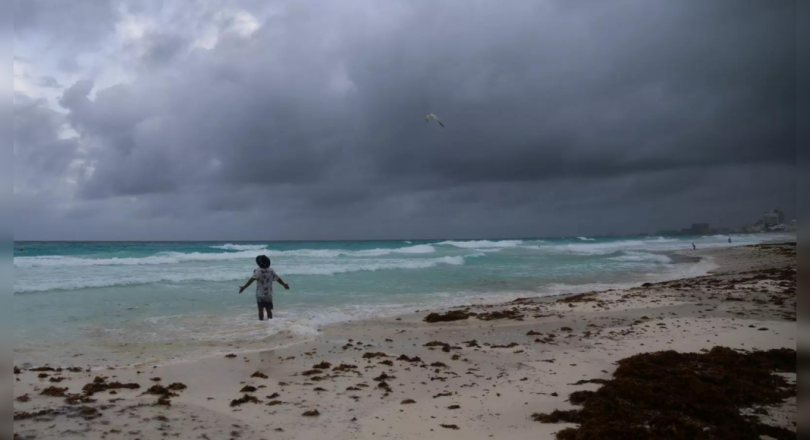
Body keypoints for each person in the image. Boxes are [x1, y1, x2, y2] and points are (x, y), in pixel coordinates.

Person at [239, 255, 289, 321]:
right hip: (268, 293)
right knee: (269, 310)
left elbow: (251, 280)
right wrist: (284, 284)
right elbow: (278, 279)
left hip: (260, 293)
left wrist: (244, 287)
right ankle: (271, 322)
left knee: (260, 309)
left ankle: (261, 323)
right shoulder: (271, 271)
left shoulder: (257, 271)